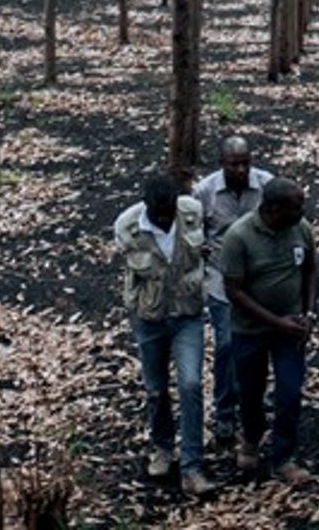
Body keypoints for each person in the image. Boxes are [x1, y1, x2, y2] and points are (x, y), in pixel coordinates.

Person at [113, 173, 210, 494]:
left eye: (170, 212)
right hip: (150, 317)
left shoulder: (192, 212)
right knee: (156, 389)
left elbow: (203, 251)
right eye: (160, 214)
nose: (167, 219)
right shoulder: (127, 227)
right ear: (147, 206)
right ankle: (163, 447)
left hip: (187, 315)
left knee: (191, 384)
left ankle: (192, 465)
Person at [219, 177, 317, 485]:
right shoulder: (239, 236)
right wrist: (276, 322)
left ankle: (283, 457)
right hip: (250, 329)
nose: (303, 209)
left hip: (290, 328)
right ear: (274, 209)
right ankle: (250, 439)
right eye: (296, 206)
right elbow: (233, 291)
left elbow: (311, 268)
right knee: (250, 391)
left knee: (289, 392)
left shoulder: (300, 229)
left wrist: (308, 312)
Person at [192, 135, 274, 445]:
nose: (241, 170)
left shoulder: (266, 185)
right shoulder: (205, 192)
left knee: (257, 343)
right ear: (222, 164)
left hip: (258, 278)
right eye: (233, 164)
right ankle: (224, 410)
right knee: (227, 344)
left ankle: (253, 398)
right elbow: (196, 236)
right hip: (221, 277)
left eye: (245, 163)